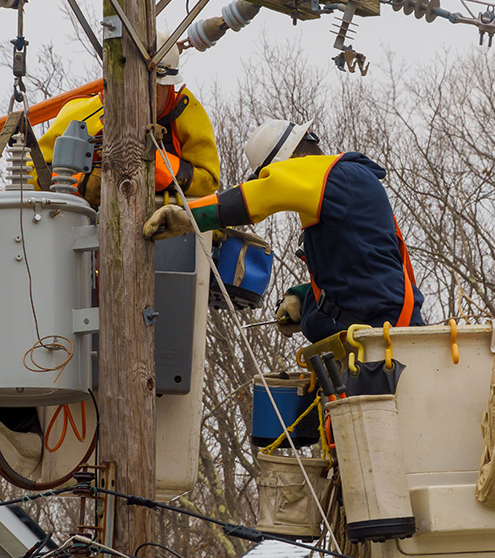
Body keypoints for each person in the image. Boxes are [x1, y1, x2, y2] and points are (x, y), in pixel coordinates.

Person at [143, 118, 425, 343]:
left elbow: (262, 194)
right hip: (371, 336)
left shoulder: (335, 176)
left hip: (383, 339)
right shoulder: (336, 195)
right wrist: (303, 297)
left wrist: (188, 217)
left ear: (294, 160)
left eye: (272, 175)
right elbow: (360, 269)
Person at [36, 28, 220, 207]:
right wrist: (84, 183)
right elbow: (32, 174)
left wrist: (156, 166)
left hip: (166, 224)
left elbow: (209, 182)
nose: (147, 96)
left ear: (169, 85)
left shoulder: (185, 111)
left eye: (158, 87)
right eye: (139, 87)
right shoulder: (81, 114)